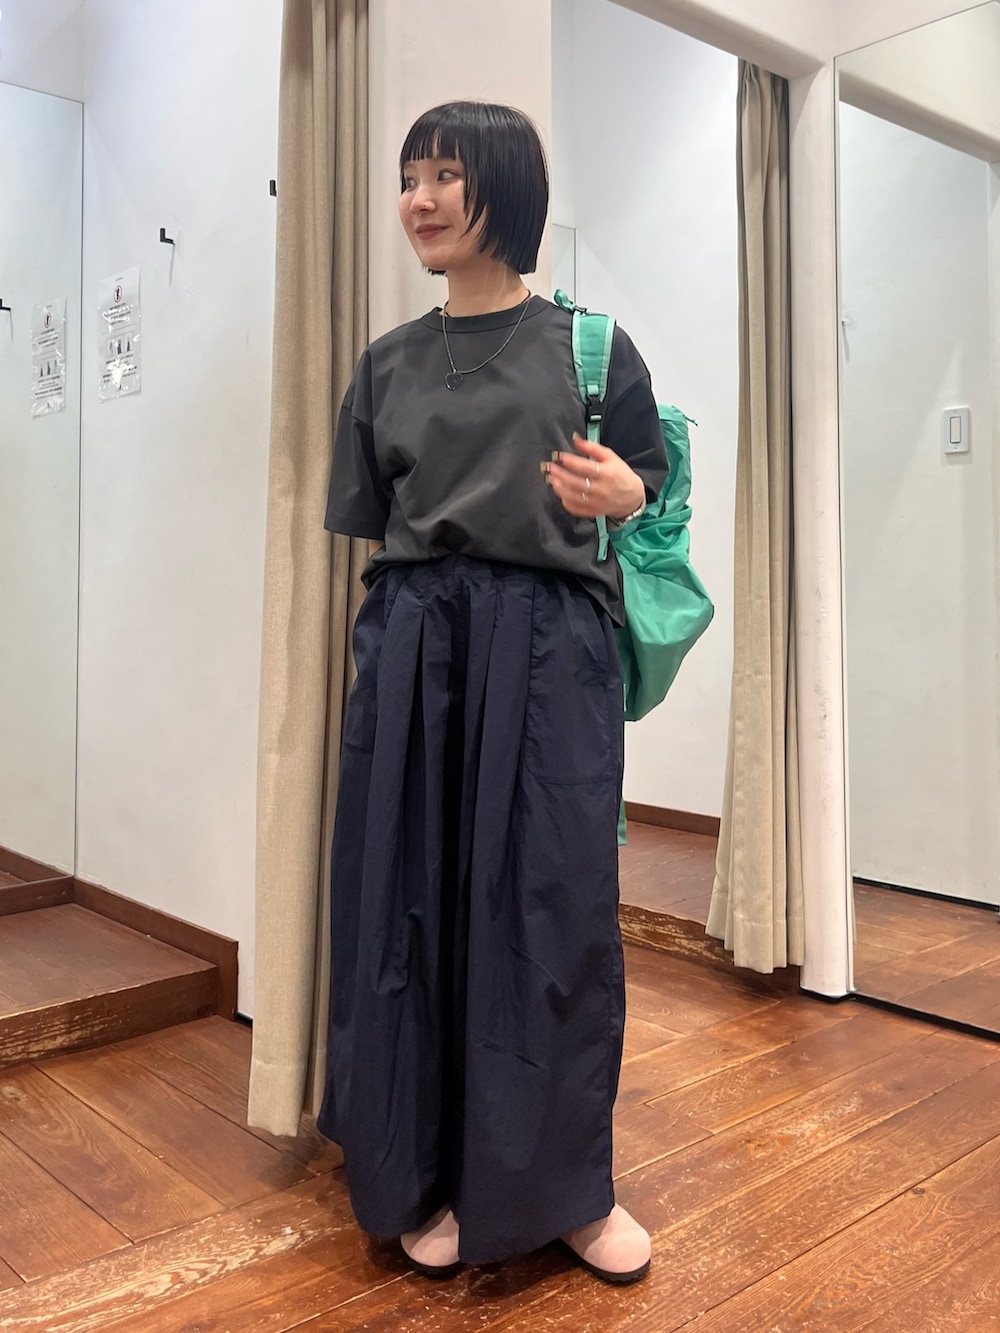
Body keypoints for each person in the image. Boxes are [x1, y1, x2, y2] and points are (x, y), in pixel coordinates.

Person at [317, 100, 667, 1285]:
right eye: (408, 175)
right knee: (408, 903)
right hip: (416, 646)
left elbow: (649, 497)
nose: (417, 199)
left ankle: (563, 1190)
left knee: (550, 912)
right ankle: (423, 1171)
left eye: (444, 175)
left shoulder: (592, 349)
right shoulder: (385, 364)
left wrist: (628, 495)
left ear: (504, 188)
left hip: (553, 650)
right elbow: (378, 525)